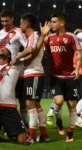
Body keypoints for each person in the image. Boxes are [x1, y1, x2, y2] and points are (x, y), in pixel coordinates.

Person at [10, 13, 51, 144]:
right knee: (36, 104)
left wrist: (17, 57)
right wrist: (21, 61)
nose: (20, 25)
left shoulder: (33, 36)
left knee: (29, 104)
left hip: (34, 73)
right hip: (33, 73)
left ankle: (32, 137)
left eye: (21, 23)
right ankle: (44, 135)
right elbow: (31, 53)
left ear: (26, 24)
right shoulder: (32, 37)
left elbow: (31, 49)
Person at [44, 12, 82, 142]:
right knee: (59, 102)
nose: (51, 24)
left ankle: (70, 133)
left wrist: (77, 69)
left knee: (72, 104)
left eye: (54, 22)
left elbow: (78, 53)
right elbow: (47, 55)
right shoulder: (49, 38)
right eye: (51, 21)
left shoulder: (71, 37)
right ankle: (59, 122)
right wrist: (44, 43)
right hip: (55, 76)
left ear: (62, 23)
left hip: (69, 76)